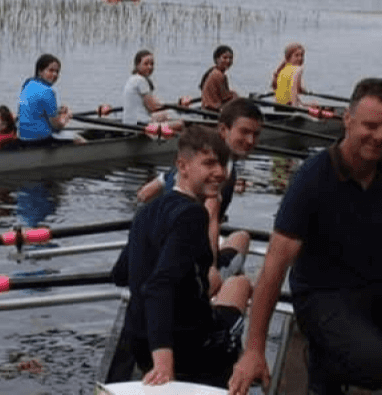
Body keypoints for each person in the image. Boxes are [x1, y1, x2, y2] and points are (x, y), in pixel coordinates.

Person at [228, 77, 382, 395]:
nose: (379, 137)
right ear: (348, 119)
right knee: (376, 365)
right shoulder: (312, 179)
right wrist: (253, 351)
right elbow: (274, 269)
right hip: (321, 299)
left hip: (373, 290)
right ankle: (324, 364)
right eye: (370, 126)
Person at [110, 125, 253, 388]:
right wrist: (165, 363)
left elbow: (120, 274)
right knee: (240, 285)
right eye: (209, 164)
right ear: (182, 166)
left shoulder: (146, 212)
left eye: (222, 164)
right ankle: (234, 376)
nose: (220, 172)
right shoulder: (192, 215)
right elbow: (158, 285)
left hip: (139, 344)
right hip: (188, 346)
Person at [137, 98, 265, 279]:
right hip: (191, 267)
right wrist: (210, 270)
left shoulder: (192, 158)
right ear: (223, 130)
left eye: (256, 134)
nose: (251, 140)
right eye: (244, 132)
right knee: (242, 239)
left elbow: (144, 193)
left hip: (158, 256)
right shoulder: (223, 168)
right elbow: (211, 217)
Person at [17, 54, 72, 146]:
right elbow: (56, 126)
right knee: (79, 140)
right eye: (50, 70)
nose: (55, 74)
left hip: (22, 136)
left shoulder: (28, 84)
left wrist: (58, 111)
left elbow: (37, 110)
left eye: (57, 71)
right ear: (40, 71)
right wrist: (67, 116)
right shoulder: (48, 91)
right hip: (40, 140)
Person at [121, 50, 182, 131]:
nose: (150, 67)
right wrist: (176, 107)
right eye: (146, 64)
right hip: (142, 126)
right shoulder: (140, 81)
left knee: (166, 115)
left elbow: (153, 106)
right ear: (137, 65)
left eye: (152, 64)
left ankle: (163, 135)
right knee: (180, 123)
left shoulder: (132, 78)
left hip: (130, 123)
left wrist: (167, 111)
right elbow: (152, 108)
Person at [199, 45, 238, 111]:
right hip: (213, 107)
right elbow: (225, 97)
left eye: (230, 58)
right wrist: (234, 95)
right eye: (225, 58)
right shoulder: (218, 75)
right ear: (217, 59)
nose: (228, 61)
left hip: (209, 105)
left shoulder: (214, 71)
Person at [270, 42, 307, 106]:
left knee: (312, 104)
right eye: (297, 55)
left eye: (301, 55)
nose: (300, 58)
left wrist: (301, 90)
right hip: (290, 107)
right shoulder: (298, 69)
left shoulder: (282, 70)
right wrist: (296, 107)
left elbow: (289, 88)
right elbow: (293, 90)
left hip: (278, 106)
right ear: (288, 57)